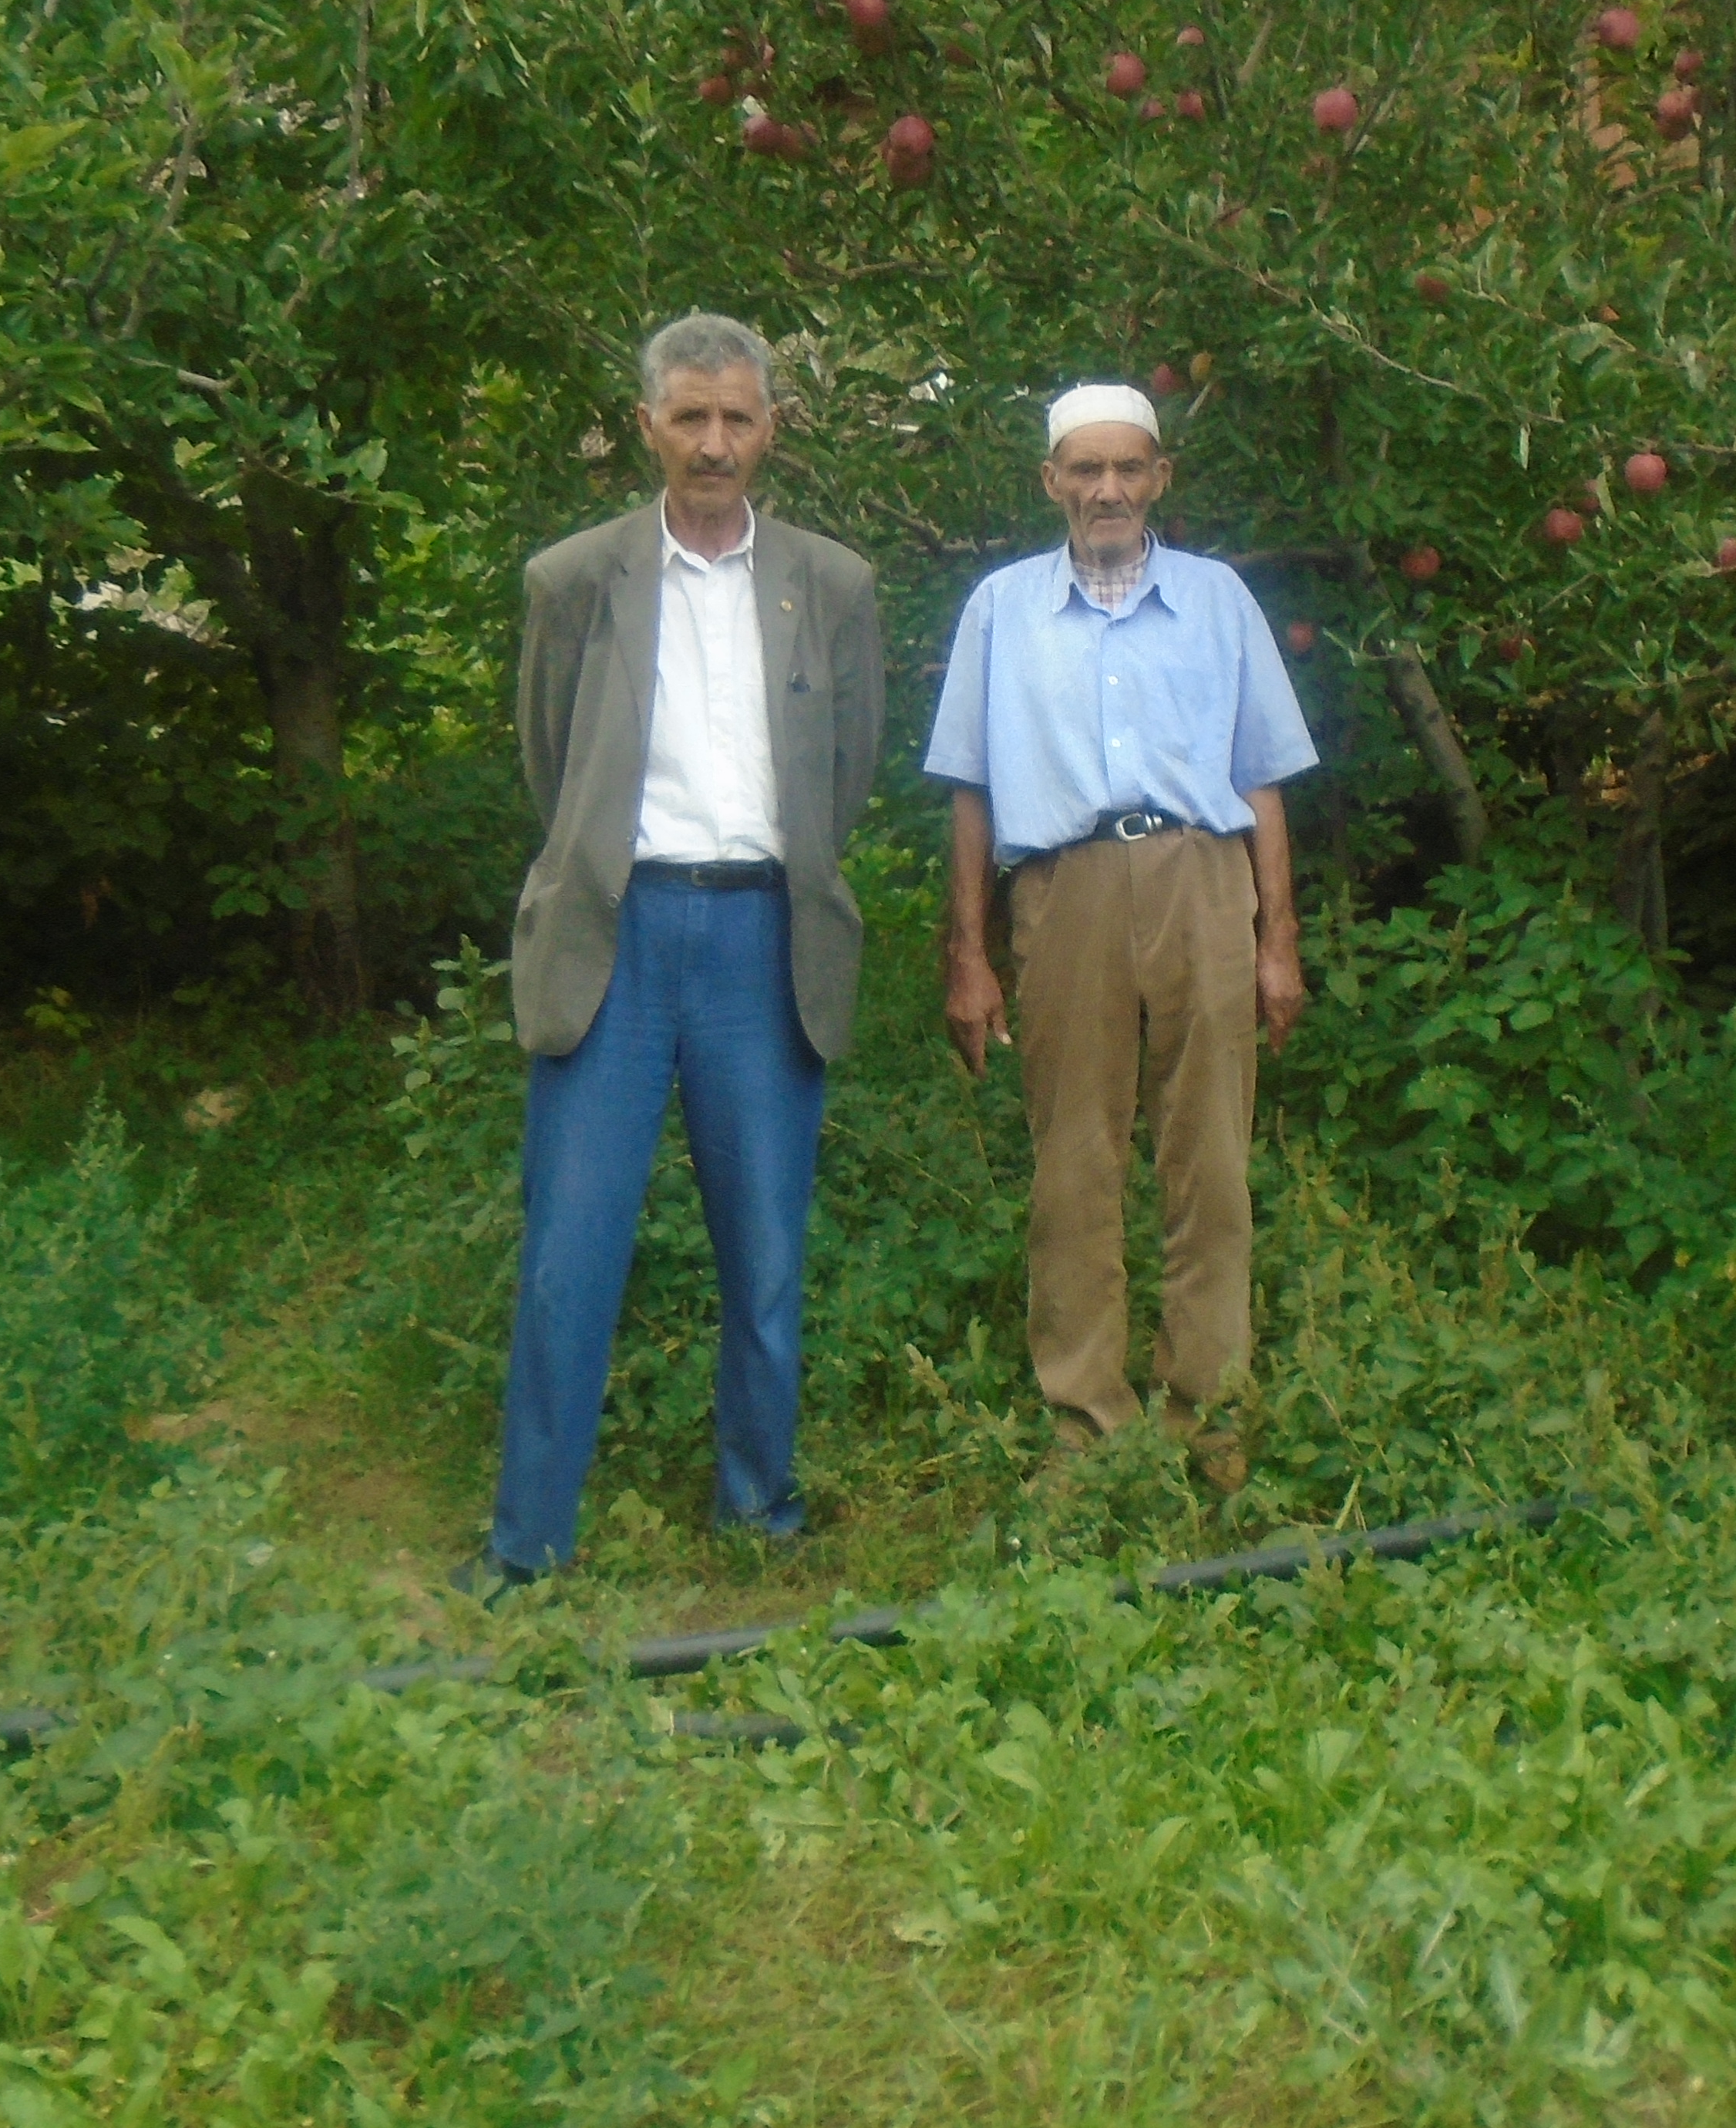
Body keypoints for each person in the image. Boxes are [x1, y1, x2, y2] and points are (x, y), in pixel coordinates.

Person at [463, 313, 884, 1592]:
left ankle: (760, 1512)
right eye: (690, 418)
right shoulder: (574, 578)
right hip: (617, 937)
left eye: (738, 419)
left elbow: (847, 773)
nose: (715, 443)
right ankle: (528, 1542)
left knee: (766, 1249)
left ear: (772, 429)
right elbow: (554, 759)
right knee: (568, 1252)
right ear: (647, 424)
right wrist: (610, 863)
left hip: (763, 937)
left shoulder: (837, 584)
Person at [926, 382, 1318, 1482]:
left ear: (1160, 479)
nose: (1107, 489)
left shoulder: (1219, 600)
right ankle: (1086, 1425)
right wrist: (972, 952)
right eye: (1085, 470)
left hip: (1203, 879)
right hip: (1062, 890)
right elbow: (969, 791)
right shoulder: (1000, 608)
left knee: (1211, 1159)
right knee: (1075, 1162)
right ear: (1052, 481)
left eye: (1128, 468)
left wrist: (1277, 941)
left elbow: (1265, 783)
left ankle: (1211, 1414)